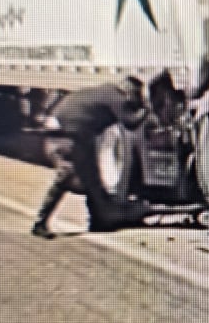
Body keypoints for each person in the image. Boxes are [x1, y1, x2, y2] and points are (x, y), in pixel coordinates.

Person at [31, 75, 149, 238]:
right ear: (131, 92)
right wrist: (147, 109)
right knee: (66, 177)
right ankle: (40, 222)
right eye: (138, 95)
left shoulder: (104, 91)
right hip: (68, 136)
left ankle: (98, 221)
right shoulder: (117, 97)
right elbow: (131, 122)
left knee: (92, 178)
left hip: (67, 133)